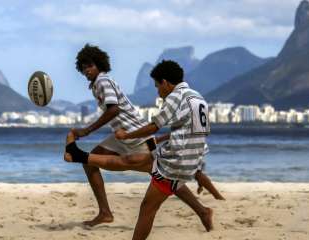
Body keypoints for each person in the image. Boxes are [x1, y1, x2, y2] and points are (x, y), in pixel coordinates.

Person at [65, 44, 214, 228]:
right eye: (83, 67)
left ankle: (202, 211)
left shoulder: (103, 81)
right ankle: (105, 213)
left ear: (99, 65)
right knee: (91, 164)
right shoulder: (97, 84)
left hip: (134, 135)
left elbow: (113, 109)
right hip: (121, 136)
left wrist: (86, 131)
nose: (86, 70)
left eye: (90, 65)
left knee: (164, 177)